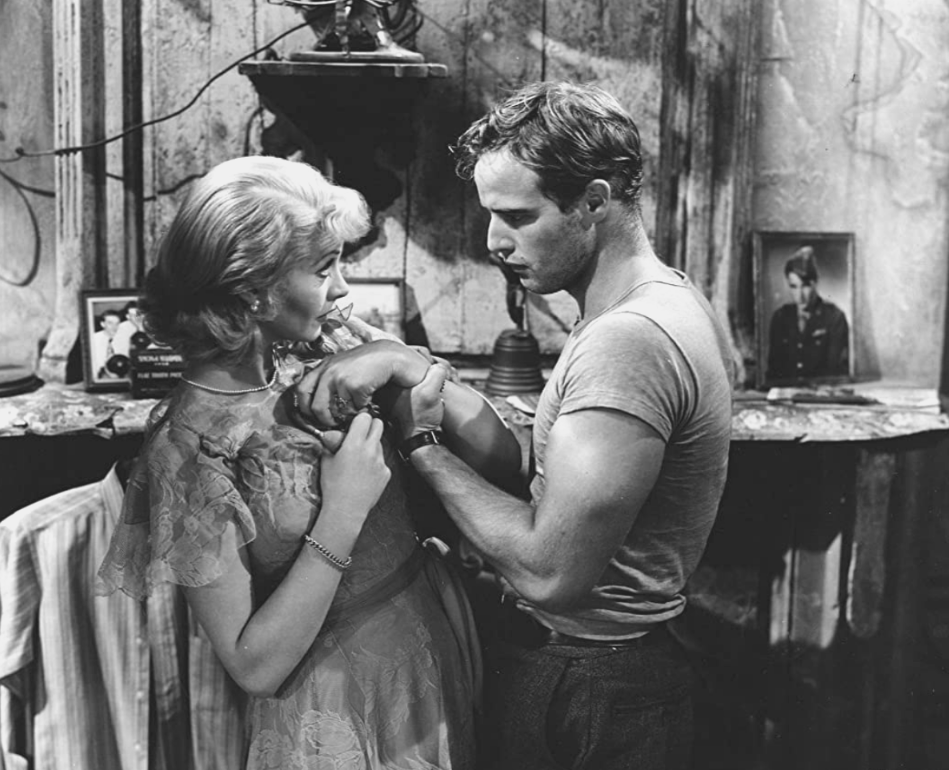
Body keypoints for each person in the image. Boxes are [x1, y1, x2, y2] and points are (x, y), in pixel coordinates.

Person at [297, 81, 734, 770]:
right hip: (600, 671)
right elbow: (535, 475)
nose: (494, 241)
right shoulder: (660, 298)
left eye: (517, 216)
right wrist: (410, 364)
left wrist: (419, 445)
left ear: (594, 200)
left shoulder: (630, 341)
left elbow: (549, 572)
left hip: (592, 682)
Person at [96, 155, 521, 769]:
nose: (344, 287)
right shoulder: (188, 449)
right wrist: (343, 510)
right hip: (336, 707)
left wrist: (401, 360)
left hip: (432, 643)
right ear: (252, 293)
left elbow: (504, 460)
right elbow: (254, 667)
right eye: (325, 268)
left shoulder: (330, 348)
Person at [765, 245, 850, 382]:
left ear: (815, 283)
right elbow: (773, 371)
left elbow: (836, 373)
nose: (799, 295)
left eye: (805, 286)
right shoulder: (780, 318)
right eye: (793, 286)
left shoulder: (835, 318)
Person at [90, 307, 125, 378]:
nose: (114, 327)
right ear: (102, 324)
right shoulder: (93, 339)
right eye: (110, 323)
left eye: (117, 323)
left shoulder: (124, 339)